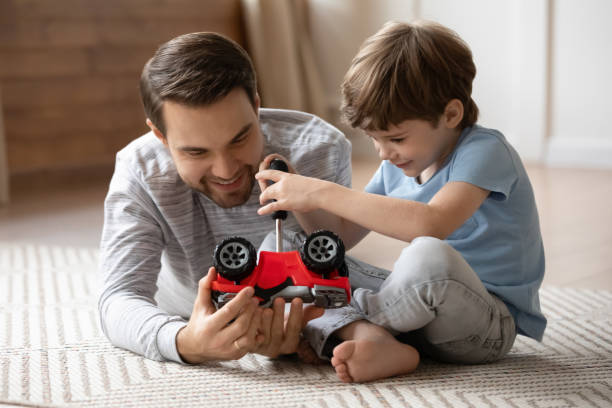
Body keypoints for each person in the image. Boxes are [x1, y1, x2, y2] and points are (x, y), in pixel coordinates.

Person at [256, 20, 547, 383]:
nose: (383, 152)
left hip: (484, 326)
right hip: (414, 313)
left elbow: (431, 223)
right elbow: (340, 237)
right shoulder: (399, 164)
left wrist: (320, 190)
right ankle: (376, 339)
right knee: (287, 251)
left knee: (428, 254)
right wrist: (299, 197)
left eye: (395, 137)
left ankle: (337, 325)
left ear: (451, 114)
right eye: (374, 139)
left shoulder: (486, 151)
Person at [98, 32, 353, 364]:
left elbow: (340, 269)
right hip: (183, 300)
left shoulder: (319, 150)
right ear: (159, 135)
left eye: (240, 138)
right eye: (196, 151)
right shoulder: (140, 170)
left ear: (257, 106)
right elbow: (118, 298)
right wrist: (184, 341)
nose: (226, 169)